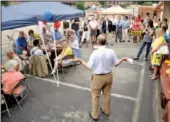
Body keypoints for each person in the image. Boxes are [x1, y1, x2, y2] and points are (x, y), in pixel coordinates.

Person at [73, 34, 128, 121]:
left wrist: (80, 61)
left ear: (97, 42)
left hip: (98, 77)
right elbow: (116, 64)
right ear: (105, 42)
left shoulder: (95, 53)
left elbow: (89, 66)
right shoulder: (111, 51)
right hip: (109, 76)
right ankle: (106, 110)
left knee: (95, 96)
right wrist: (122, 59)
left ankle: (94, 115)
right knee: (107, 94)